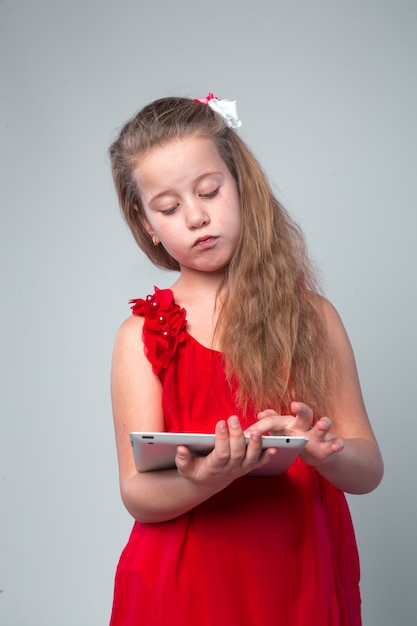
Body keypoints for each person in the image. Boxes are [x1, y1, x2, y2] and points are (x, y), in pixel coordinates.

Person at [107, 93, 383, 626]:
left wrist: (326, 451)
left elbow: (368, 469)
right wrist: (207, 478)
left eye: (209, 190)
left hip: (297, 579)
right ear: (146, 224)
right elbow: (137, 493)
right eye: (167, 207)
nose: (195, 216)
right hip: (182, 592)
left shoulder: (312, 317)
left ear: (240, 184)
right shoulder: (140, 336)